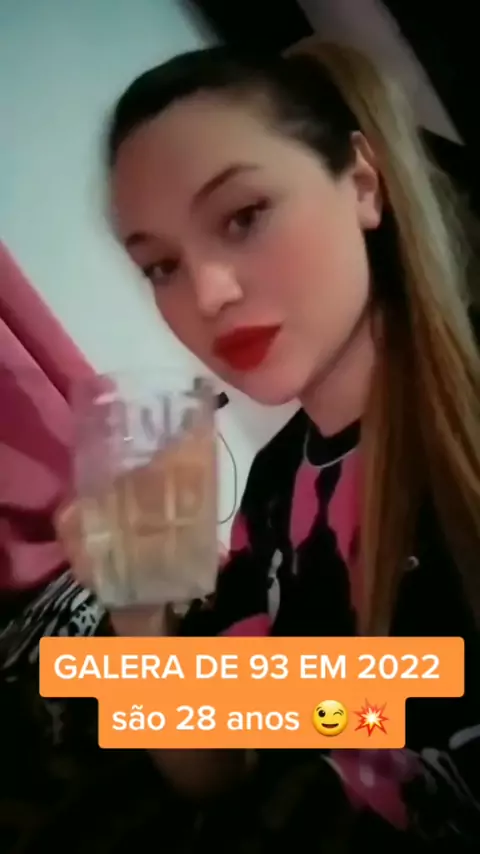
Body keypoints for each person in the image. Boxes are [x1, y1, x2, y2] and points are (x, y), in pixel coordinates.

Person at [57, 37, 480, 849]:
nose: (209, 292)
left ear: (363, 184)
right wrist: (137, 612)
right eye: (161, 266)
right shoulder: (277, 492)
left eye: (244, 217)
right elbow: (223, 763)